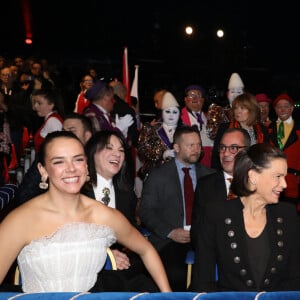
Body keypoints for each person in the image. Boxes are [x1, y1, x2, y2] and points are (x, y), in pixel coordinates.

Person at [0, 131, 171, 293]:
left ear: (87, 166)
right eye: (59, 162)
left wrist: (167, 295)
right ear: (43, 170)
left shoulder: (102, 215)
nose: (71, 168)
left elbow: (146, 250)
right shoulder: (21, 220)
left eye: (78, 160)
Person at [190, 143, 300, 292]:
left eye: (284, 177)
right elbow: (203, 280)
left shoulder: (288, 215)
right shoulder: (216, 214)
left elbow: (295, 278)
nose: (285, 184)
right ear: (253, 176)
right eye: (278, 177)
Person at [139, 125, 215, 291]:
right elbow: (146, 211)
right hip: (167, 242)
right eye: (190, 146)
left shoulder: (210, 175)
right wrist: (171, 232)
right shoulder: (158, 175)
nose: (196, 149)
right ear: (176, 148)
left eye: (198, 145)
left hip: (203, 241)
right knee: (176, 275)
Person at [82, 130, 158, 291]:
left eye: (121, 150)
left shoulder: (126, 193)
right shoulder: (78, 191)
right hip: (86, 267)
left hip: (123, 265)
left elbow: (129, 229)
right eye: (109, 148)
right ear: (93, 153)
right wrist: (106, 256)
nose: (117, 154)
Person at [14, 113, 92, 206]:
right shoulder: (47, 156)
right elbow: (23, 196)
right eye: (59, 162)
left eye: (71, 132)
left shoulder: (98, 158)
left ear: (87, 136)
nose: (65, 135)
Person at [191, 128, 251, 244]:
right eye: (223, 147)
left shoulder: (258, 184)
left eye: (233, 148)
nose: (226, 153)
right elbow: (197, 233)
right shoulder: (205, 186)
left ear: (247, 152)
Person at [211, 92, 270, 170]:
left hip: (256, 173)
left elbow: (267, 157)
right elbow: (216, 156)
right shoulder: (225, 128)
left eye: (242, 108)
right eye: (236, 108)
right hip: (232, 172)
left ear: (252, 110)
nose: (238, 111)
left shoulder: (262, 130)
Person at [137, 91, 182, 180]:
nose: (171, 115)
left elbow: (197, 150)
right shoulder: (153, 129)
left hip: (180, 174)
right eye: (168, 111)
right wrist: (162, 155)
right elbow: (142, 150)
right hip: (156, 175)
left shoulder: (186, 130)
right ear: (162, 112)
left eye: (174, 112)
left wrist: (182, 154)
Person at [268, 93, 300, 210]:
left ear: (291, 108)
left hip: (293, 183)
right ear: (275, 110)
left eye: (286, 106)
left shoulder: (299, 129)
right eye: (279, 106)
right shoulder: (267, 129)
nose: (282, 109)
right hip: (271, 182)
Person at [181, 84, 214, 168]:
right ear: (185, 99)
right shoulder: (177, 117)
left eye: (198, 96)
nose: (195, 98)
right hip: (187, 163)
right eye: (191, 95)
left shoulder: (210, 118)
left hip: (208, 165)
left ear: (203, 100)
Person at [32, 88, 64, 154]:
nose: (35, 106)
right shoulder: (49, 119)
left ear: (51, 105)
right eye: (34, 102)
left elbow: (57, 147)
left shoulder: (53, 121)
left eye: (39, 103)